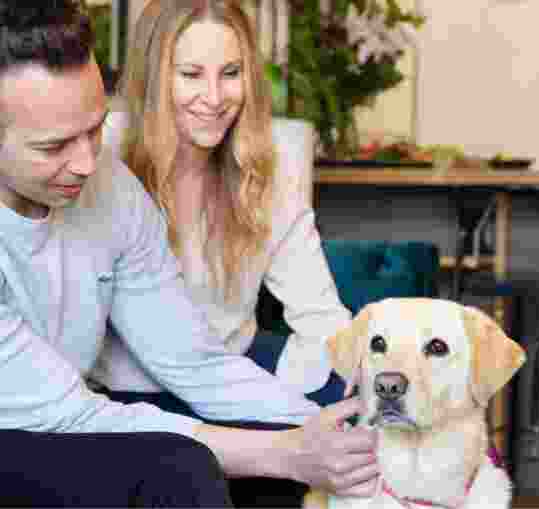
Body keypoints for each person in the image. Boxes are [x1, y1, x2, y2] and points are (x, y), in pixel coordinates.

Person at [0, 1, 377, 507]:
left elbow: (190, 356)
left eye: (94, 129)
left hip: (66, 418)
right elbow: (72, 415)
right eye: (54, 148)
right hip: (34, 424)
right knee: (183, 467)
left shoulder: (111, 187)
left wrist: (330, 433)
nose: (88, 163)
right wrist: (283, 452)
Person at [92, 0, 351, 413]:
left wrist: (314, 388)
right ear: (153, 79)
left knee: (359, 396)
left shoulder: (269, 168)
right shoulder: (102, 159)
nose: (213, 98)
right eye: (191, 74)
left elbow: (322, 317)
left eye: (231, 73)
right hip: (130, 390)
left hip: (234, 374)